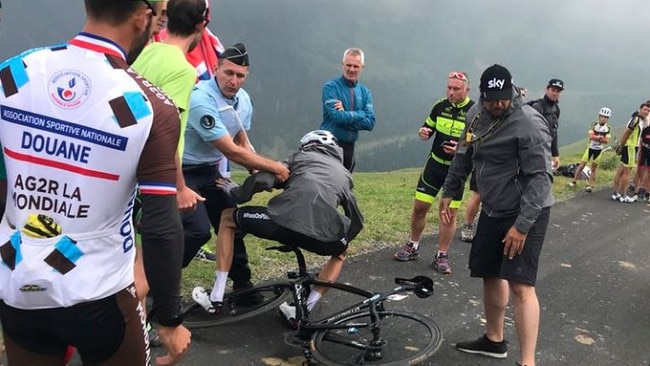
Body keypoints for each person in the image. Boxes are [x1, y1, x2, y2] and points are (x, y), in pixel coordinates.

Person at [0, 1, 191, 365]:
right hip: (99, 293)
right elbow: (161, 225)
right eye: (157, 21)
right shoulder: (152, 106)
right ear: (141, 17)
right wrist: (169, 318)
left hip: (17, 281)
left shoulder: (12, 75)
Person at [441, 64, 554, 366]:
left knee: (520, 284)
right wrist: (450, 192)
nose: (497, 104)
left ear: (512, 91)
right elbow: (464, 154)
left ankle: (527, 362)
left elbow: (541, 179)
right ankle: (494, 341)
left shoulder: (529, 123)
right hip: (493, 207)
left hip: (527, 209)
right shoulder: (476, 115)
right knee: (489, 272)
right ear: (482, 94)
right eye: (491, 99)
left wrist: (522, 225)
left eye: (502, 98)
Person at [193, 130, 363, 324]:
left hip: (280, 223)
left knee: (226, 218)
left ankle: (216, 296)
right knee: (340, 254)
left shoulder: (300, 157)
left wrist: (236, 192)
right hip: (322, 238)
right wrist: (341, 241)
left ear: (307, 145)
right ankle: (305, 309)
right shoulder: (344, 175)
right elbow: (356, 220)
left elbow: (264, 180)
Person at [181, 43, 290, 299]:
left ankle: (242, 285)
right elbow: (230, 150)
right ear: (216, 69)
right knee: (197, 231)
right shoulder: (200, 99)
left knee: (231, 222)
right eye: (228, 73)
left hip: (210, 171)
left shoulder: (244, 100)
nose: (233, 81)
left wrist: (256, 170)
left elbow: (241, 139)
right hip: (184, 173)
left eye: (240, 75)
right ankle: (157, 282)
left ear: (246, 75)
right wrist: (274, 166)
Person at [393, 71, 475, 275]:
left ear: (467, 89)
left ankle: (441, 255)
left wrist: (460, 148)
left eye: (456, 89)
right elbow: (427, 127)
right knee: (420, 207)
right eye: (449, 88)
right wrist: (424, 132)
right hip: (435, 165)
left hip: (456, 170)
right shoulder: (440, 106)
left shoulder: (475, 111)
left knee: (447, 214)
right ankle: (413, 245)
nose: (451, 92)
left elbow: (481, 143)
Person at [320, 48, 375, 171]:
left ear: (362, 67)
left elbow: (370, 123)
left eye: (356, 66)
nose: (351, 69)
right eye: (348, 65)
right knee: (328, 186)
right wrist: (361, 113)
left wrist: (346, 114)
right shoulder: (330, 87)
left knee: (345, 187)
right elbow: (336, 117)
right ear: (342, 64)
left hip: (350, 148)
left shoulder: (365, 92)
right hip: (329, 146)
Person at [611, 102, 650, 202]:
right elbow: (627, 132)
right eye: (645, 109)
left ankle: (615, 193)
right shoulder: (636, 119)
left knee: (621, 170)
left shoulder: (639, 119)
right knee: (627, 172)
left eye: (648, 111)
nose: (646, 112)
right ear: (640, 109)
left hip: (629, 146)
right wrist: (620, 145)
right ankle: (623, 195)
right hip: (631, 147)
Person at [568, 107, 612, 192]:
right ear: (599, 116)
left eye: (606, 117)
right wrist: (600, 137)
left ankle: (589, 185)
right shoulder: (594, 124)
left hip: (599, 150)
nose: (604, 119)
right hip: (590, 148)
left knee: (594, 168)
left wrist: (597, 138)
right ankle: (574, 181)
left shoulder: (608, 128)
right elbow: (591, 136)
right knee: (581, 165)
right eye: (602, 116)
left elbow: (606, 141)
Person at [529, 78, 563, 171]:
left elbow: (554, 132)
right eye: (553, 90)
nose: (555, 93)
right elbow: (529, 132)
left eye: (558, 91)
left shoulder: (556, 109)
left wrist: (555, 154)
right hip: (533, 152)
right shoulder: (538, 107)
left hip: (546, 151)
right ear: (546, 90)